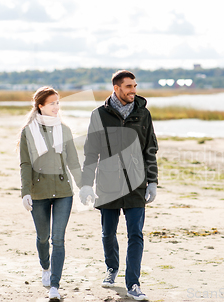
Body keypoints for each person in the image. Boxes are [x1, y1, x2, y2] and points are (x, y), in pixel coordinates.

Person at [79, 70, 158, 301]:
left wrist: (152, 181)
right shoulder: (99, 115)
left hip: (136, 184)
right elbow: (91, 152)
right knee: (108, 233)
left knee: (136, 234)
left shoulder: (143, 114)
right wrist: (86, 185)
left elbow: (150, 150)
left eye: (135, 85)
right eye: (128, 86)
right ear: (116, 88)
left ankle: (133, 283)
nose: (134, 90)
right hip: (108, 184)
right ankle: (112, 267)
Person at [19, 86, 82, 300]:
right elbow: (26, 164)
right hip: (38, 192)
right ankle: (45, 267)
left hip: (64, 191)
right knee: (43, 237)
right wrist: (25, 192)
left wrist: (84, 185)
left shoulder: (64, 129)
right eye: (52, 103)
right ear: (41, 106)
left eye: (58, 102)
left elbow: (73, 161)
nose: (57, 107)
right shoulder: (28, 131)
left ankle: (55, 284)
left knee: (58, 239)